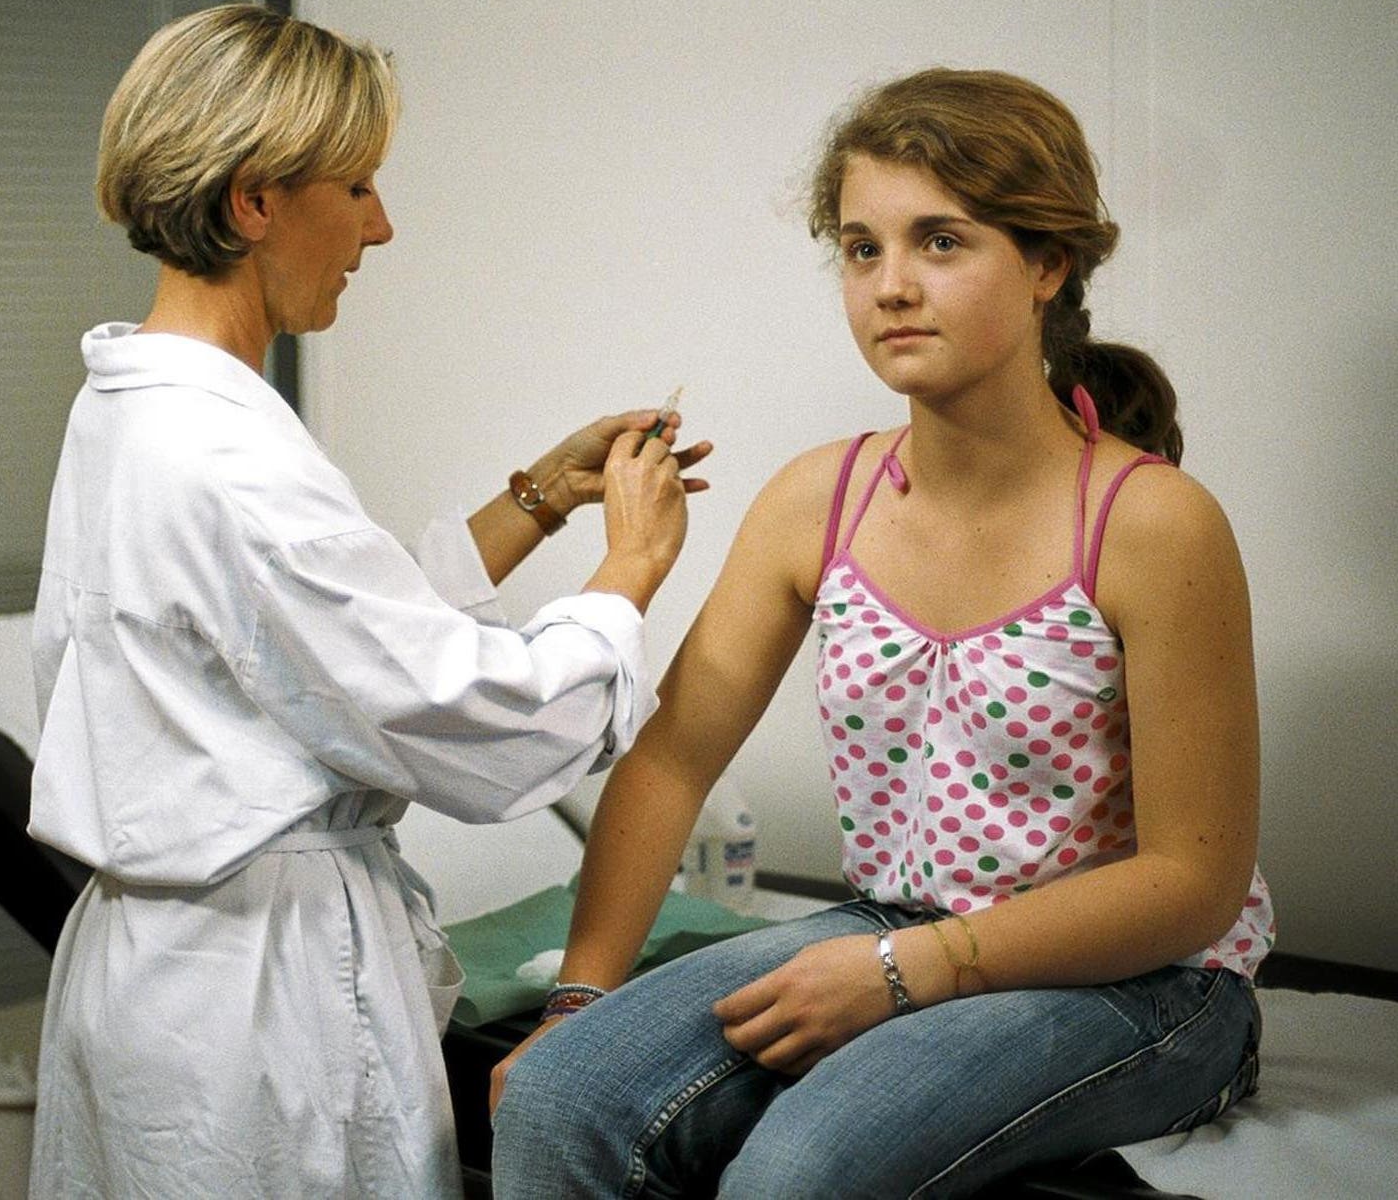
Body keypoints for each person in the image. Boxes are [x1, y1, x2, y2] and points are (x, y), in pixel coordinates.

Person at [489, 67, 1274, 1198]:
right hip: (892, 925)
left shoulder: (1152, 522)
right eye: (862, 249)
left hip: (1149, 980)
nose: (891, 286)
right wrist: (579, 997)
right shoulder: (823, 501)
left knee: (801, 1170)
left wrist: (903, 972)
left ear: (1049, 264)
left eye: (941, 242)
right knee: (565, 1100)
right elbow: (671, 761)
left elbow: (1195, 883)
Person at [23, 4, 711, 1200]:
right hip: (253, 1006)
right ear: (256, 202)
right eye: (360, 188)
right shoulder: (226, 454)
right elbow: (469, 719)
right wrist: (629, 575)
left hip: (156, 981)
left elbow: (309, 629)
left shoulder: (135, 405)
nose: (380, 227)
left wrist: (543, 495)